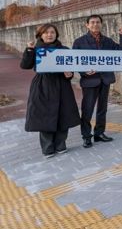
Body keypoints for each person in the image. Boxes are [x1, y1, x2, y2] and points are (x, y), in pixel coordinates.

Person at [20, 24, 80, 158]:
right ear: (40, 35)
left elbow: (71, 67)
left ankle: (61, 144)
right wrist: (29, 49)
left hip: (62, 84)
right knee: (44, 116)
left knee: (64, 114)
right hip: (43, 85)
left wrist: (69, 74)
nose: (49, 35)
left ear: (56, 34)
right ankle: (47, 148)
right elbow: (25, 65)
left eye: (52, 32)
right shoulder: (36, 49)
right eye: (46, 32)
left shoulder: (64, 50)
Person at [72, 15, 122, 148]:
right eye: (92, 22)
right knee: (87, 110)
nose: (95, 24)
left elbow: (121, 51)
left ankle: (99, 133)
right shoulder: (79, 42)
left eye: (98, 22)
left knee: (102, 109)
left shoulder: (107, 41)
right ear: (87, 25)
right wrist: (84, 71)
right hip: (90, 81)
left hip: (105, 79)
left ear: (101, 24)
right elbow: (74, 60)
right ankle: (86, 136)